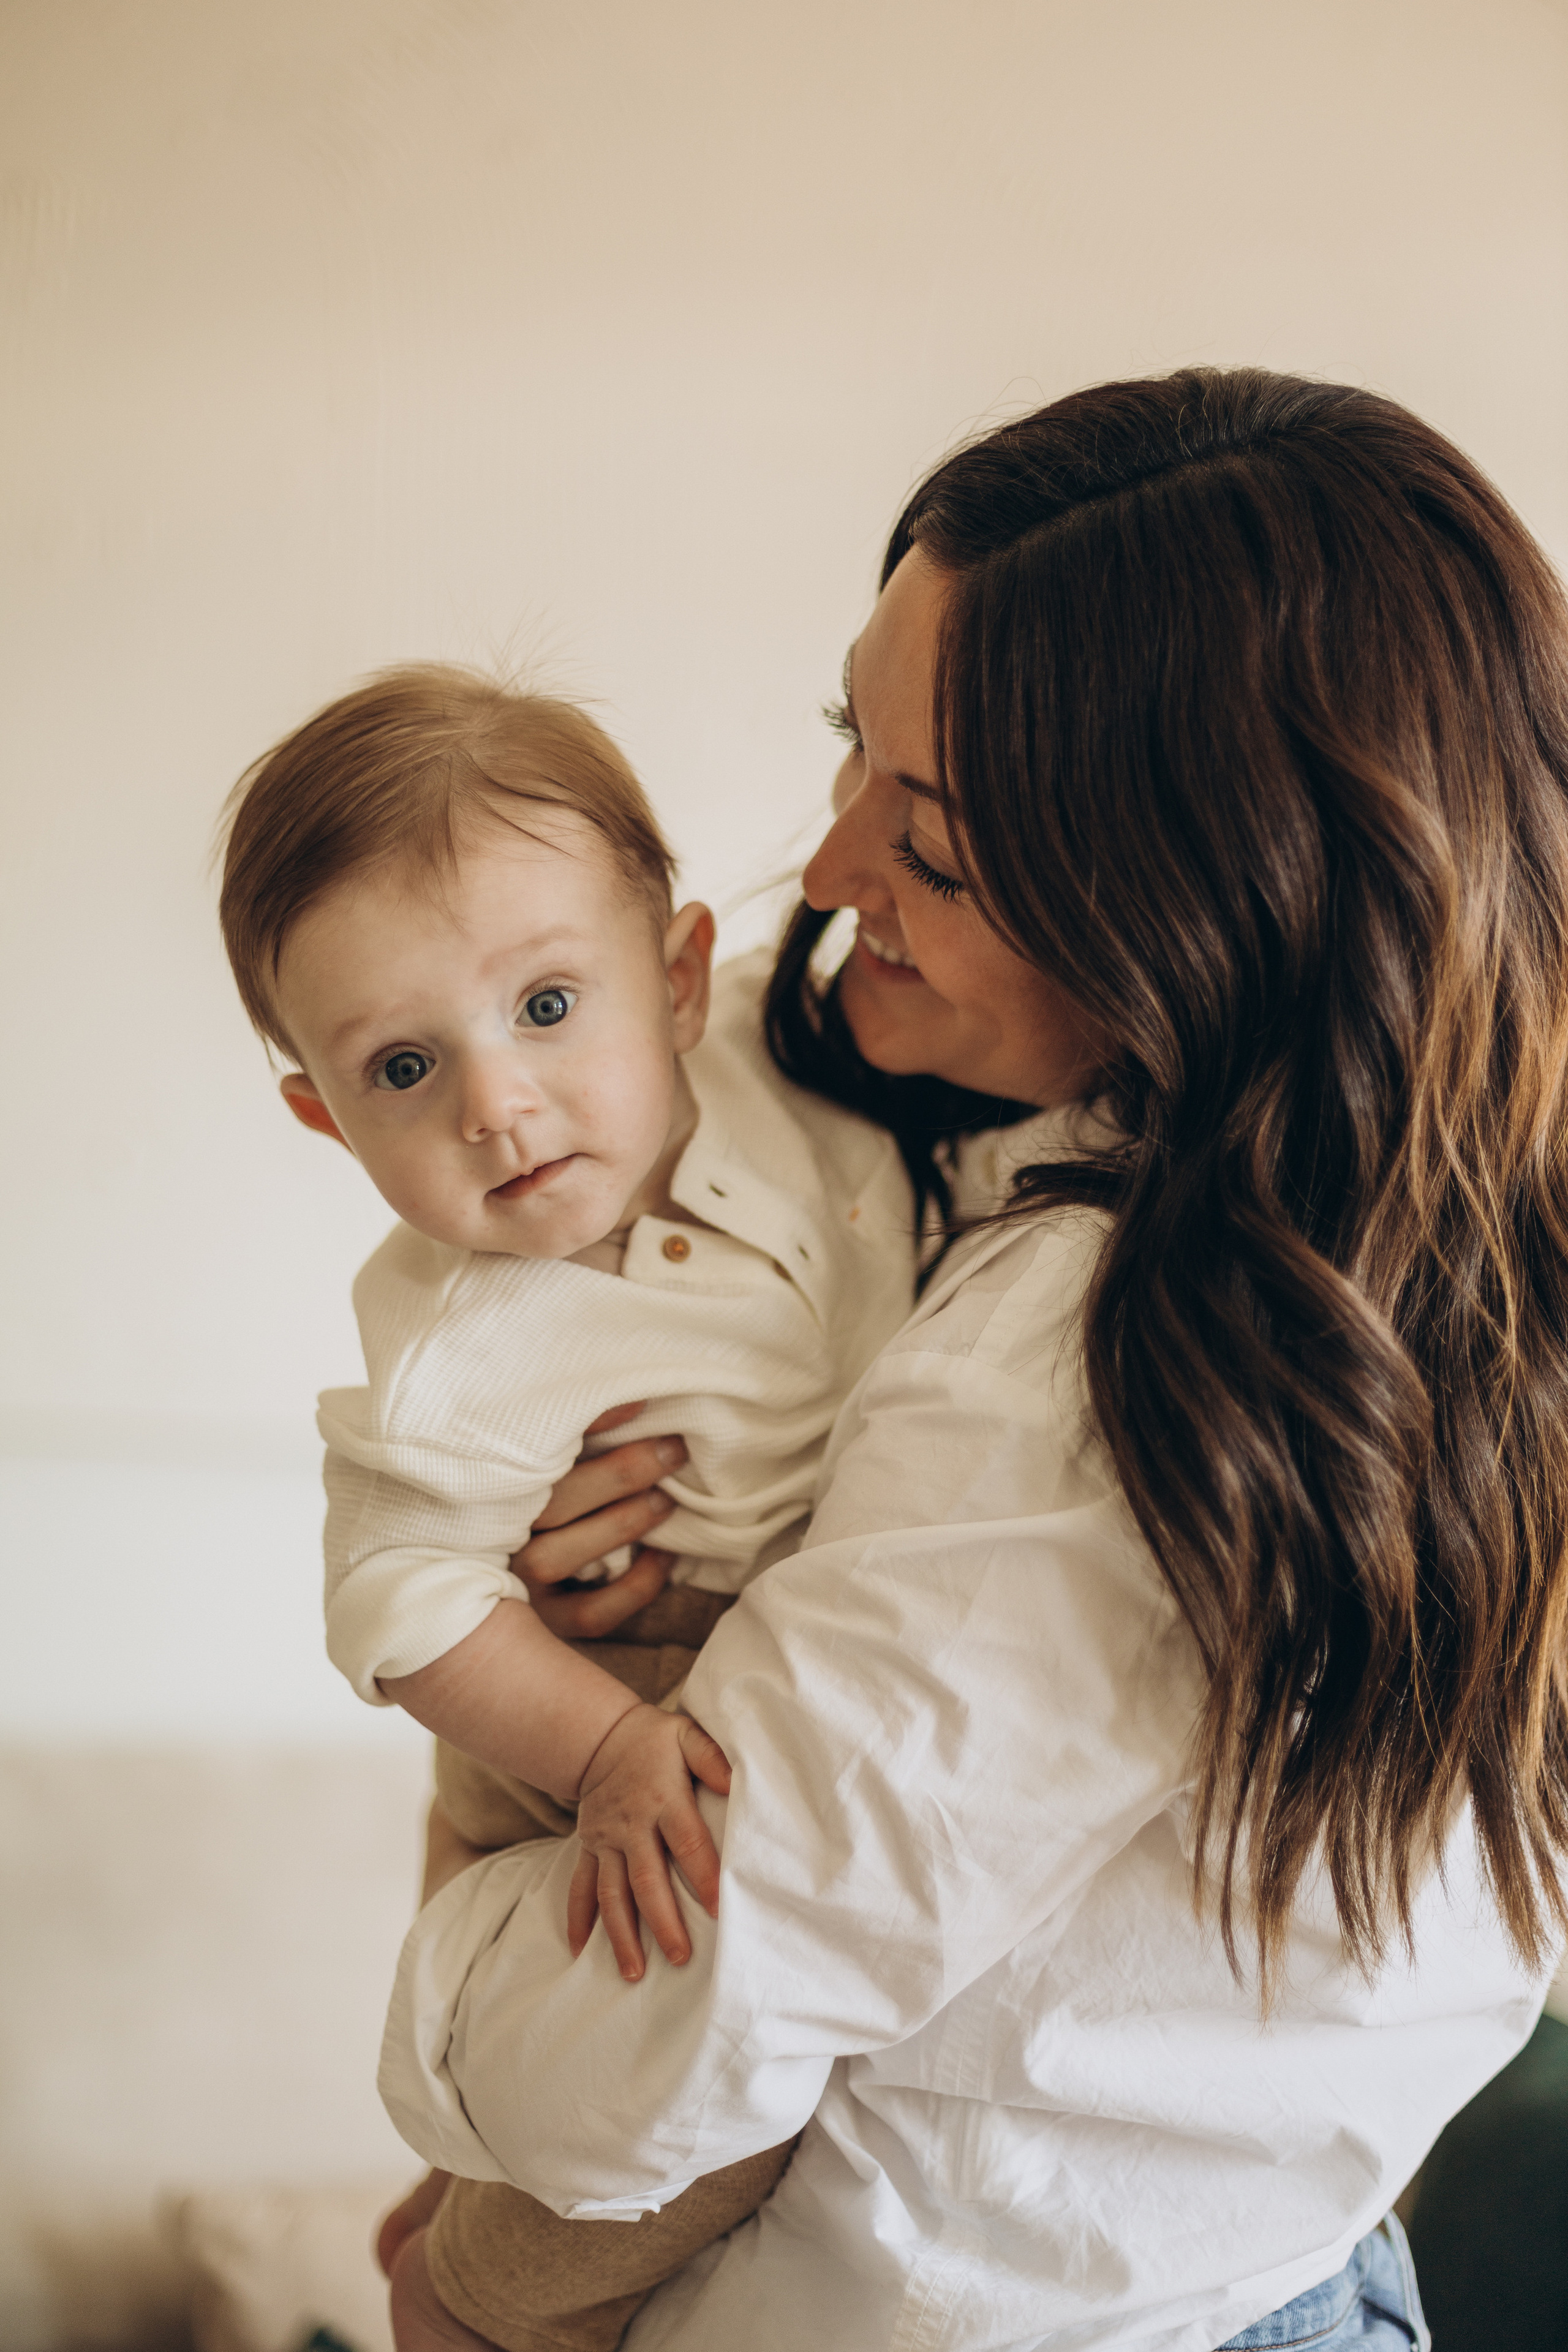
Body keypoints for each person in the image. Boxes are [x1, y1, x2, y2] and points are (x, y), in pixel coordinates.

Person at [378, 368, 1568, 2352]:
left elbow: (652, 2046)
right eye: (855, 745)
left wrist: (455, 2023)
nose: (832, 868)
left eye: (934, 839)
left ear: (1203, 896)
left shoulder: (1093, 1352)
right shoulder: (1445, 1271)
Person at [217, 670, 951, 2345]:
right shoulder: (457, 1343)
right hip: (571, 1724)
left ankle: (454, 2209)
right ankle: (467, 2311)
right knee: (681, 2120)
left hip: (691, 1671)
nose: (495, 1101)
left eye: (549, 1007)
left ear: (680, 977)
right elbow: (403, 1600)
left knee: (539, 2075)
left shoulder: (797, 1067)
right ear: (325, 1119)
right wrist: (602, 1749)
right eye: (406, 1066)